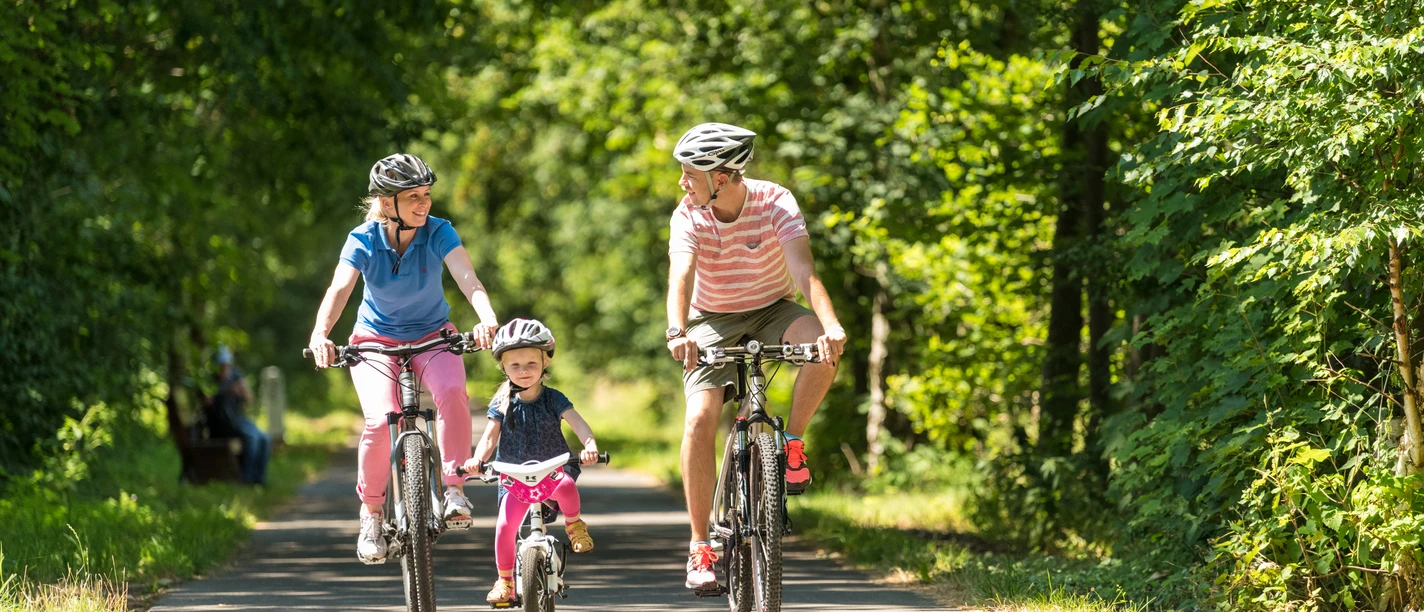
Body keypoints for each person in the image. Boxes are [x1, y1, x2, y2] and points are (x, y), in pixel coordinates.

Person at [664, 122, 848, 589]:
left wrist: (831, 326)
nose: (683, 183)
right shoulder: (688, 215)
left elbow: (803, 269)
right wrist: (678, 331)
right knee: (699, 419)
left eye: (690, 174)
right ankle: (700, 546)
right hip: (711, 318)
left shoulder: (775, 201)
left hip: (774, 309)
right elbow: (681, 276)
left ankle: (793, 443)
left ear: (721, 177)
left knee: (822, 351)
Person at [307, 153, 500, 565]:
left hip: (433, 335)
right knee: (380, 421)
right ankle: (372, 515)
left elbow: (468, 278)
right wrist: (321, 334)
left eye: (426, 194)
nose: (423, 203)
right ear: (386, 202)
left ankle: (454, 488)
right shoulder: (363, 239)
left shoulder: (439, 231)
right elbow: (340, 289)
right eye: (413, 196)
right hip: (374, 340)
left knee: (452, 392)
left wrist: (487, 318)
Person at [463, 318, 600, 604]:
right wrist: (476, 459)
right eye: (515, 365)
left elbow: (578, 423)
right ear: (504, 367)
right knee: (505, 528)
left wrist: (590, 446)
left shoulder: (553, 399)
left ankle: (575, 525)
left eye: (531, 364)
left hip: (552, 470)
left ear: (545, 363)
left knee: (565, 485)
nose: (523, 371)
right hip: (514, 476)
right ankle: (505, 581)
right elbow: (489, 438)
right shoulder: (502, 402)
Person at [203, 345, 271, 486]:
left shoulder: (235, 375)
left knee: (264, 438)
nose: (224, 369)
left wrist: (243, 390)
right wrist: (226, 391)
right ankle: (247, 478)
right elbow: (208, 403)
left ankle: (259, 479)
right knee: (252, 438)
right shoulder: (210, 380)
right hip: (222, 424)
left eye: (226, 365)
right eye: (221, 366)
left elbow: (249, 400)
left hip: (238, 419)